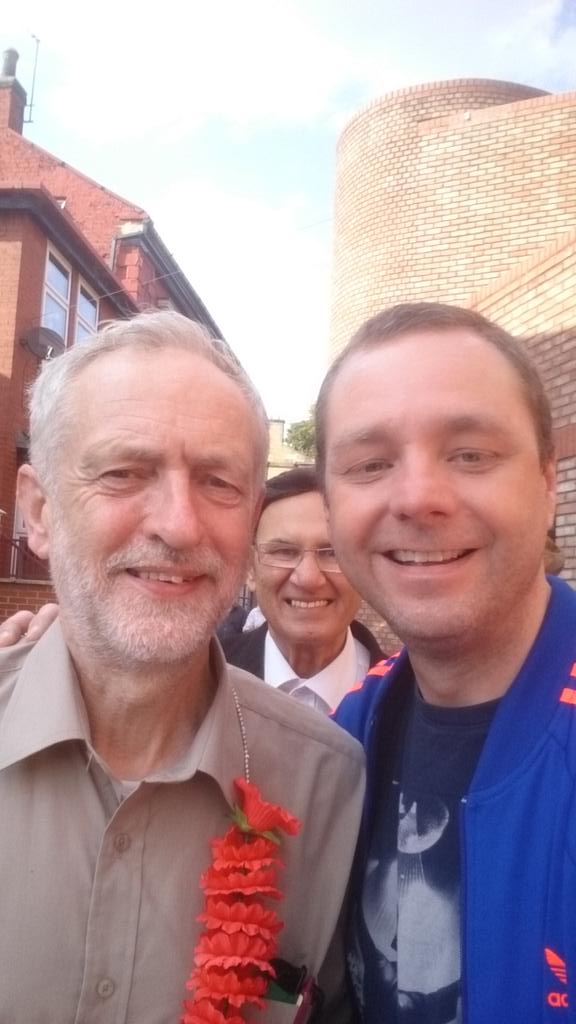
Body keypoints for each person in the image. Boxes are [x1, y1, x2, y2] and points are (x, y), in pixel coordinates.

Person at [0, 311, 365, 1023]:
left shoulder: (331, 787)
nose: (178, 523)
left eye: (218, 482)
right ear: (38, 512)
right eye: (124, 472)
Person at [315, 301, 573, 1023]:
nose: (418, 497)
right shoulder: (339, 743)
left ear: (549, 480)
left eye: (470, 454)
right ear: (332, 506)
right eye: (370, 464)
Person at [222, 466, 384, 714]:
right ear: (250, 569)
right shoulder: (197, 685)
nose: (308, 579)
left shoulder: (410, 697)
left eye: (332, 553)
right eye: (283, 552)